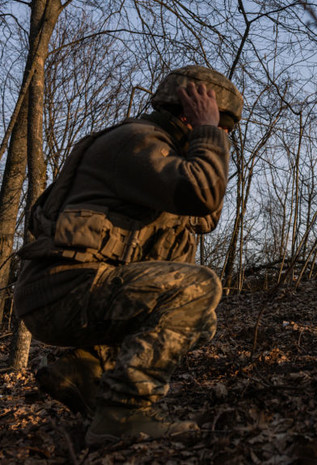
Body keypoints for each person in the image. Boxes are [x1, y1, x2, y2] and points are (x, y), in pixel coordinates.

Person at [13, 65, 242, 445]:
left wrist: (203, 140)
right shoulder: (138, 141)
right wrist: (207, 132)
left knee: (202, 320)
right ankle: (123, 412)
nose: (225, 135)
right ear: (188, 113)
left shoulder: (162, 155)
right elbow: (202, 194)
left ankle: (86, 370)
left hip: (76, 288)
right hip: (64, 289)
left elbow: (205, 217)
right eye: (223, 126)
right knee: (197, 287)